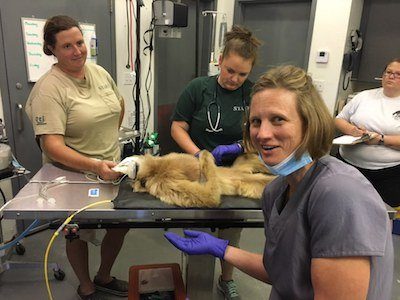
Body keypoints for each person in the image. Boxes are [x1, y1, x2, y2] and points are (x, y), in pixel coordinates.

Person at [165, 65, 394, 299]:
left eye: (278, 120)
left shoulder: (340, 195)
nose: (262, 134)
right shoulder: (276, 191)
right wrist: (221, 249)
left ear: (309, 124)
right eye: (256, 121)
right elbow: (282, 272)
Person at [25, 15, 128, 300]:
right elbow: (52, 146)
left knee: (121, 224)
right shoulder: (49, 88)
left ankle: (104, 275)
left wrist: (105, 146)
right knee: (77, 231)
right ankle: (86, 285)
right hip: (72, 175)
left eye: (80, 42)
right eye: (67, 46)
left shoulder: (98, 72)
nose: (77, 51)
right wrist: (93, 163)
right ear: (52, 50)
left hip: (111, 167)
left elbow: (117, 107)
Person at [170, 25, 261, 300]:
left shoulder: (253, 94)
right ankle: (193, 281)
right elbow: (177, 127)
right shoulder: (198, 88)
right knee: (197, 226)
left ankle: (226, 278)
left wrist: (236, 147)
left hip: (237, 173)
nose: (234, 79)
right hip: (198, 169)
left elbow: (261, 135)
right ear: (219, 61)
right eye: (230, 70)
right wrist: (200, 155)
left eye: (242, 74)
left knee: (232, 229)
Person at [335, 58, 400, 208]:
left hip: (388, 175)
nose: (391, 76)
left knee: (380, 212)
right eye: (389, 72)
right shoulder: (364, 96)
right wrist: (352, 130)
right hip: (348, 166)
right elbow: (339, 119)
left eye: (398, 74)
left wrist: (380, 140)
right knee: (342, 206)